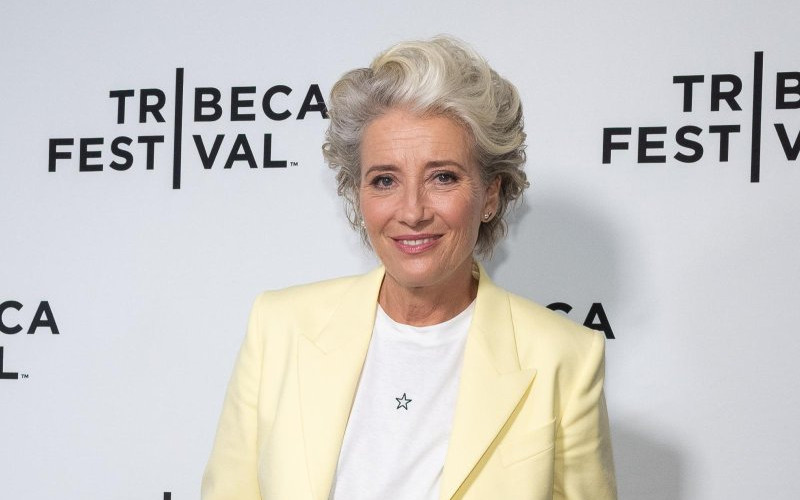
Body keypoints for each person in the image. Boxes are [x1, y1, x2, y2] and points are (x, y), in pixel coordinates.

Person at [201, 36, 616, 500]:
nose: (413, 211)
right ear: (356, 193)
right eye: (385, 180)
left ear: (491, 194)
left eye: (443, 177)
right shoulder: (279, 326)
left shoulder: (564, 358)